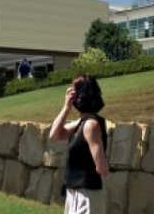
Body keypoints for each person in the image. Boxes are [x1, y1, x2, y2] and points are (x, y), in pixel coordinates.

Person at [49, 75, 109, 214]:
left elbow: (101, 167)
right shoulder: (81, 123)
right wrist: (66, 107)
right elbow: (54, 135)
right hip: (75, 193)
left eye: (74, 91)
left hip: (87, 195)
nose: (70, 92)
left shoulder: (91, 125)